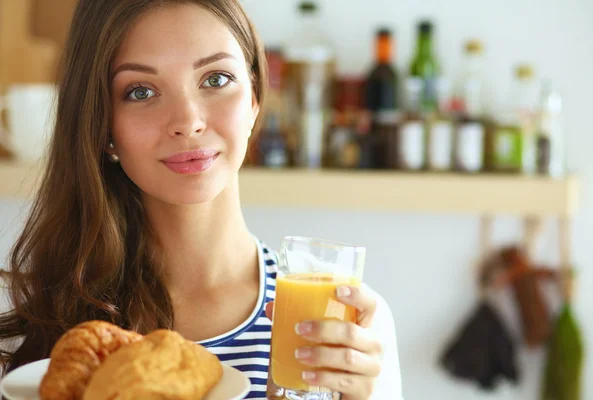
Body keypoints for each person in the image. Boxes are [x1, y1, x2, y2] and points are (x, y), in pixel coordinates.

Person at [0, 1, 403, 398]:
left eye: (215, 79)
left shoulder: (344, 326)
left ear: (255, 98)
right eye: (141, 91)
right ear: (103, 126)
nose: (188, 122)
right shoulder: (44, 329)